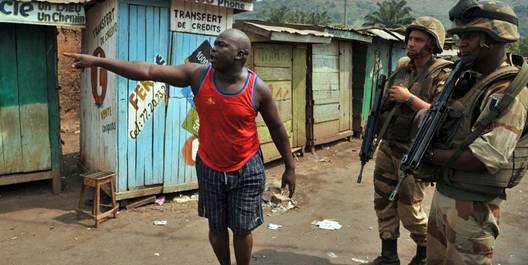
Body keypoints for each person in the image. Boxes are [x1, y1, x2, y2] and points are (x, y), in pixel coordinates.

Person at [65, 28, 296, 265]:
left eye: (221, 46)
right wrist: (97, 61)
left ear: (240, 55)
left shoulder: (258, 89)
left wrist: (290, 166)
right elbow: (147, 70)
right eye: (214, 44)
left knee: (241, 229)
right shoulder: (197, 75)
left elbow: (277, 128)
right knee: (216, 228)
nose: (213, 50)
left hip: (247, 167)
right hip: (209, 167)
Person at [412, 1, 528, 264]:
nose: (462, 42)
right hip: (446, 193)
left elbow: (487, 157)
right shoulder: (468, 78)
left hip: (473, 207)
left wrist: (427, 154)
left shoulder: (509, 90)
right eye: (460, 36)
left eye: (470, 35)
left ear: (495, 38)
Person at [367, 17, 452, 265]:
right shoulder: (402, 70)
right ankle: (389, 255)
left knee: (409, 209)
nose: (411, 44)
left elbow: (441, 116)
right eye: (410, 39)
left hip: (415, 152)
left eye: (419, 40)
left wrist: (408, 98)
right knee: (383, 202)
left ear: (431, 44)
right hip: (389, 146)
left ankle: (425, 253)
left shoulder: (442, 75)